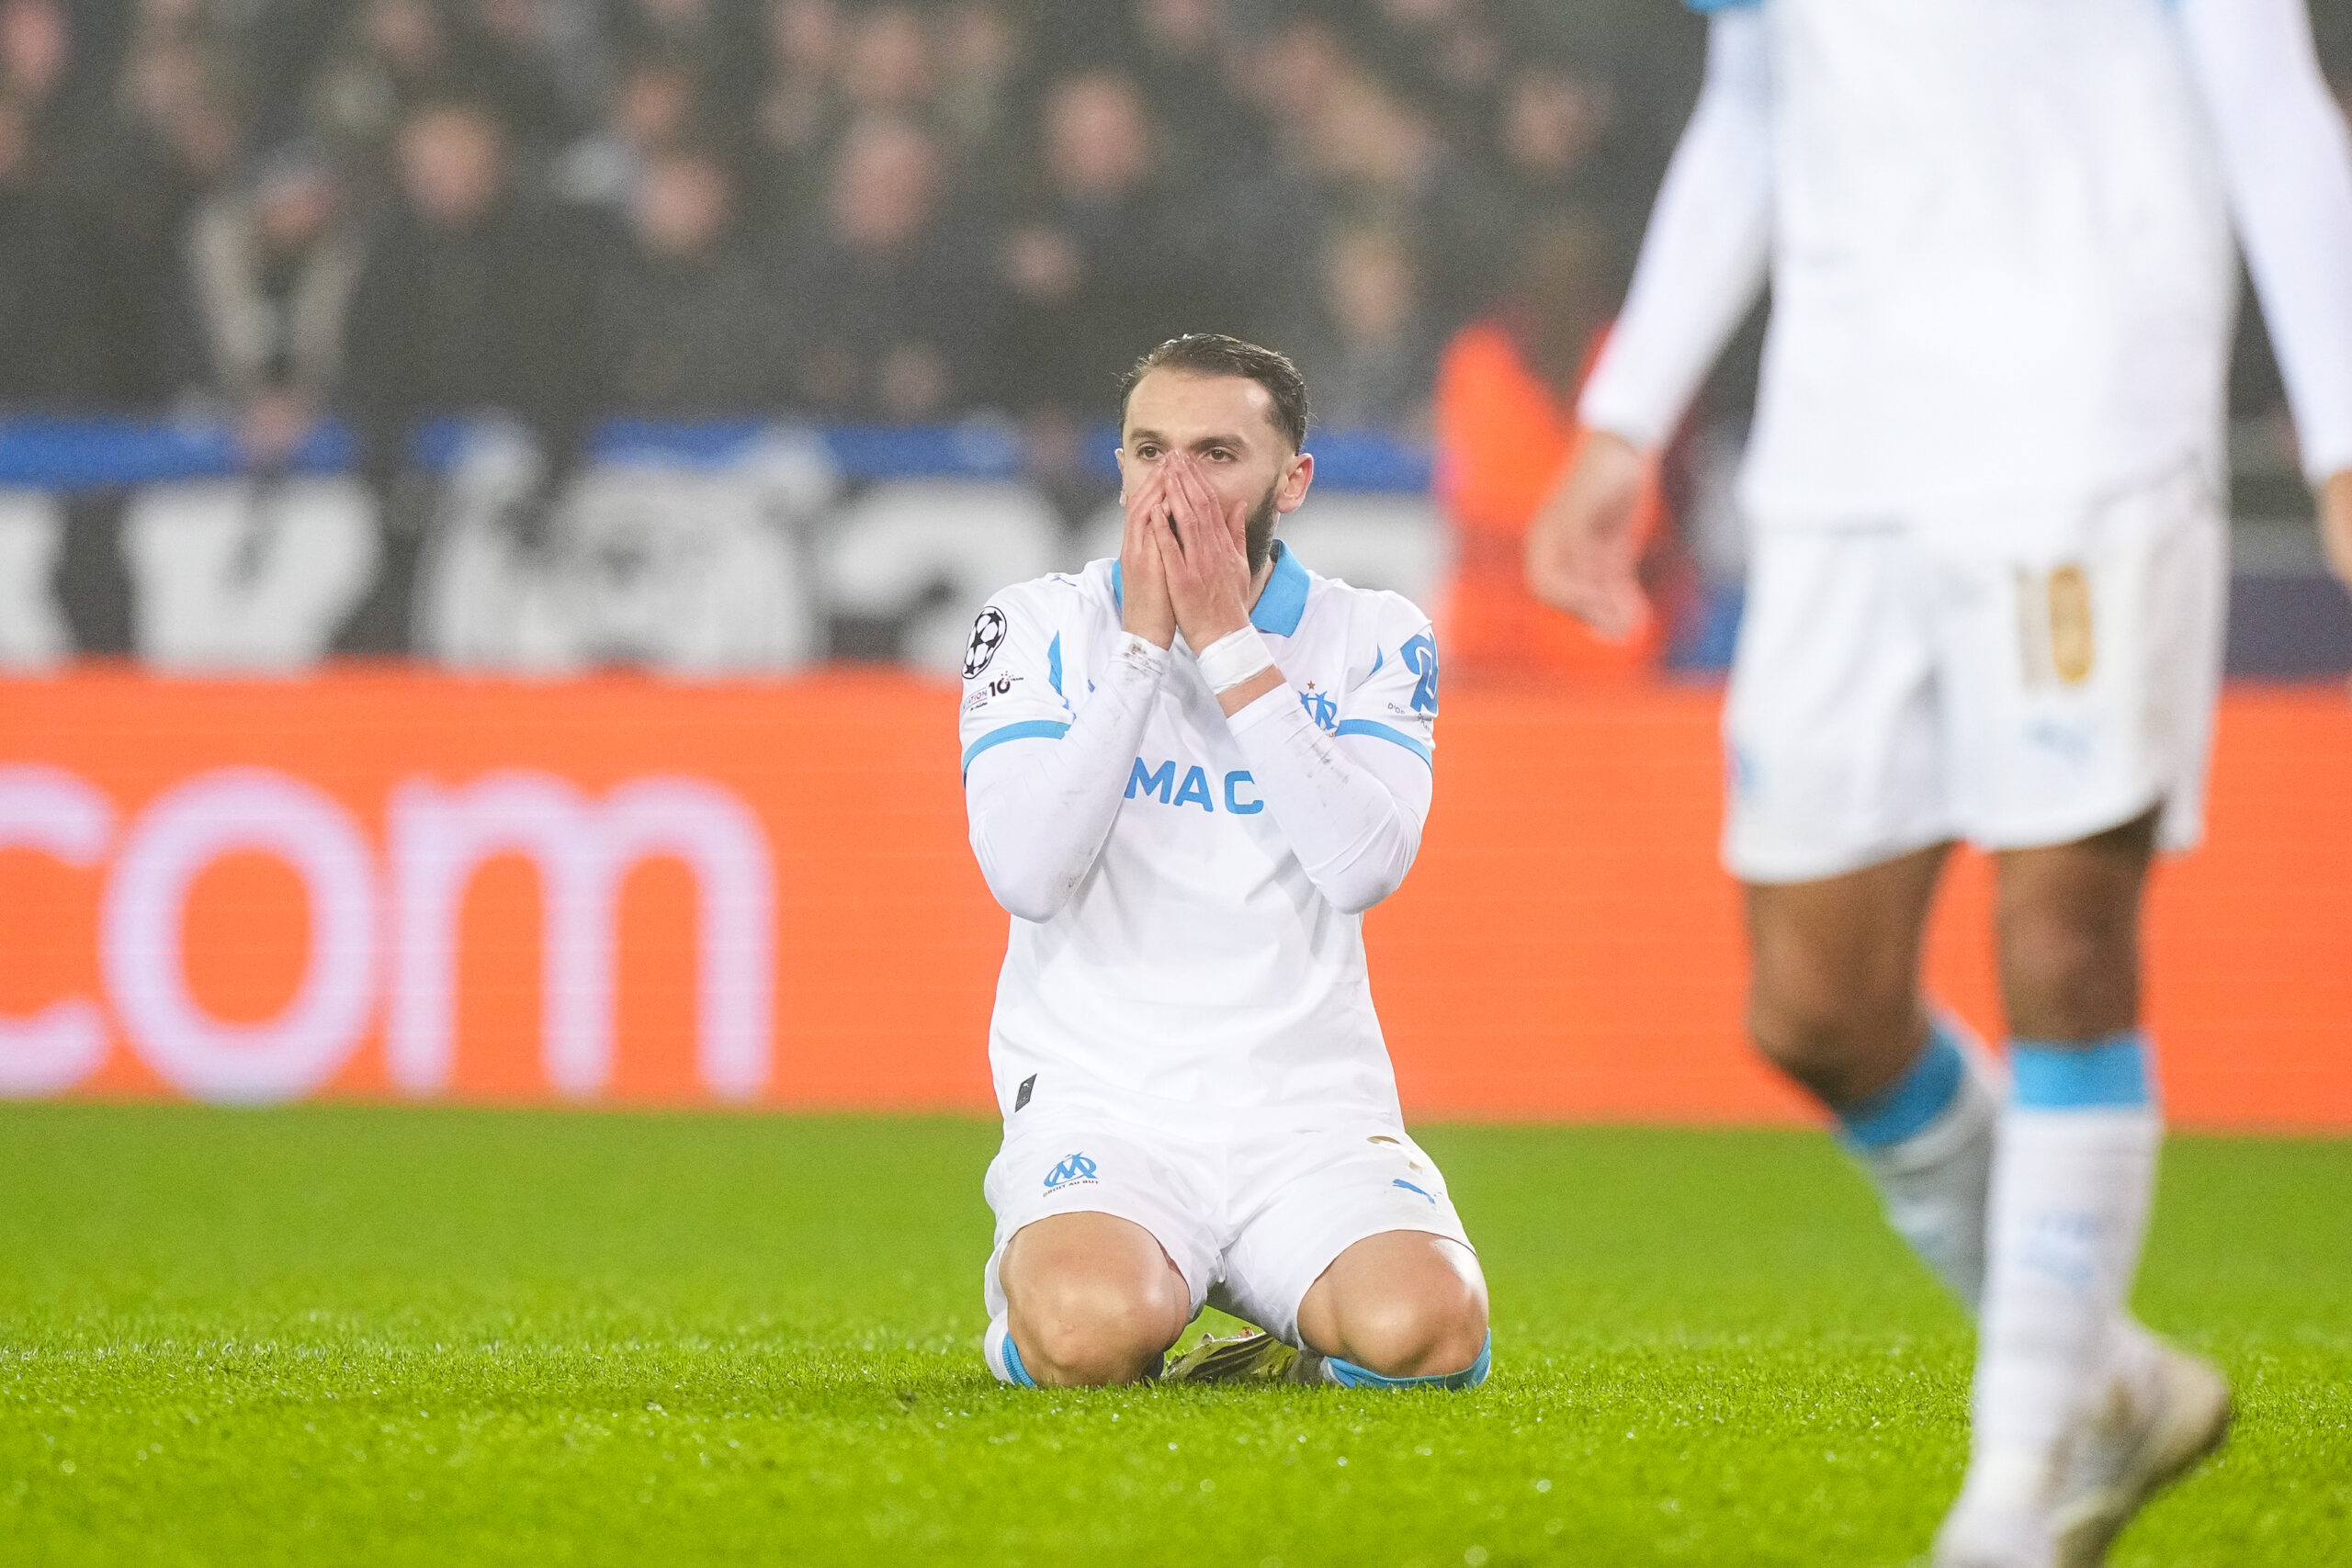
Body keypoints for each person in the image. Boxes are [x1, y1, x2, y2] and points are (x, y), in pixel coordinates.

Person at [1526, 4, 2352, 1566]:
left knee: (2063, 936)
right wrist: (1625, 415)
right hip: (1839, 460)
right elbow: (1754, 102)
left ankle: (2015, 1493)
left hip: (2090, 419)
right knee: (1815, 1004)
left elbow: (2268, 92)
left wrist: (2343, 434)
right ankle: (2111, 1383)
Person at [958, 333, 1489, 1391]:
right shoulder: (1036, 624)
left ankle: (1282, 1335)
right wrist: (1142, 650)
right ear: (1120, 465)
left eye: (1215, 456)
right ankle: (1064, 1280)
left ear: (1291, 481)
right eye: (1150, 450)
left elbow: (1361, 868)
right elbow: (1026, 875)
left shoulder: (1372, 634)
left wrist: (1226, 643)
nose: (1175, 487)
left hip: (1310, 1118)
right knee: (1089, 1332)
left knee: (1429, 1331)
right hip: (1105, 1108)